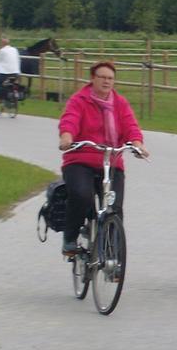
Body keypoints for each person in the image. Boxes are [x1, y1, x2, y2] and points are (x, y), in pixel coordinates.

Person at [58, 61, 149, 255]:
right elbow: (70, 119)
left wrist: (137, 143)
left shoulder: (120, 103)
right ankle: (70, 238)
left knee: (115, 207)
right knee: (82, 196)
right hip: (80, 160)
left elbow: (130, 126)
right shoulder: (79, 100)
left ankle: (112, 255)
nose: (107, 82)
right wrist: (67, 136)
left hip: (112, 162)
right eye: (103, 77)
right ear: (92, 78)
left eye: (110, 78)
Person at [0, 37, 21, 105]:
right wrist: (18, 71)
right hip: (15, 71)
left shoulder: (2, 50)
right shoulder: (15, 49)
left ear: (2, 43)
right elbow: (18, 59)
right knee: (12, 83)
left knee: (0, 84)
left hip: (4, 72)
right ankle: (14, 94)